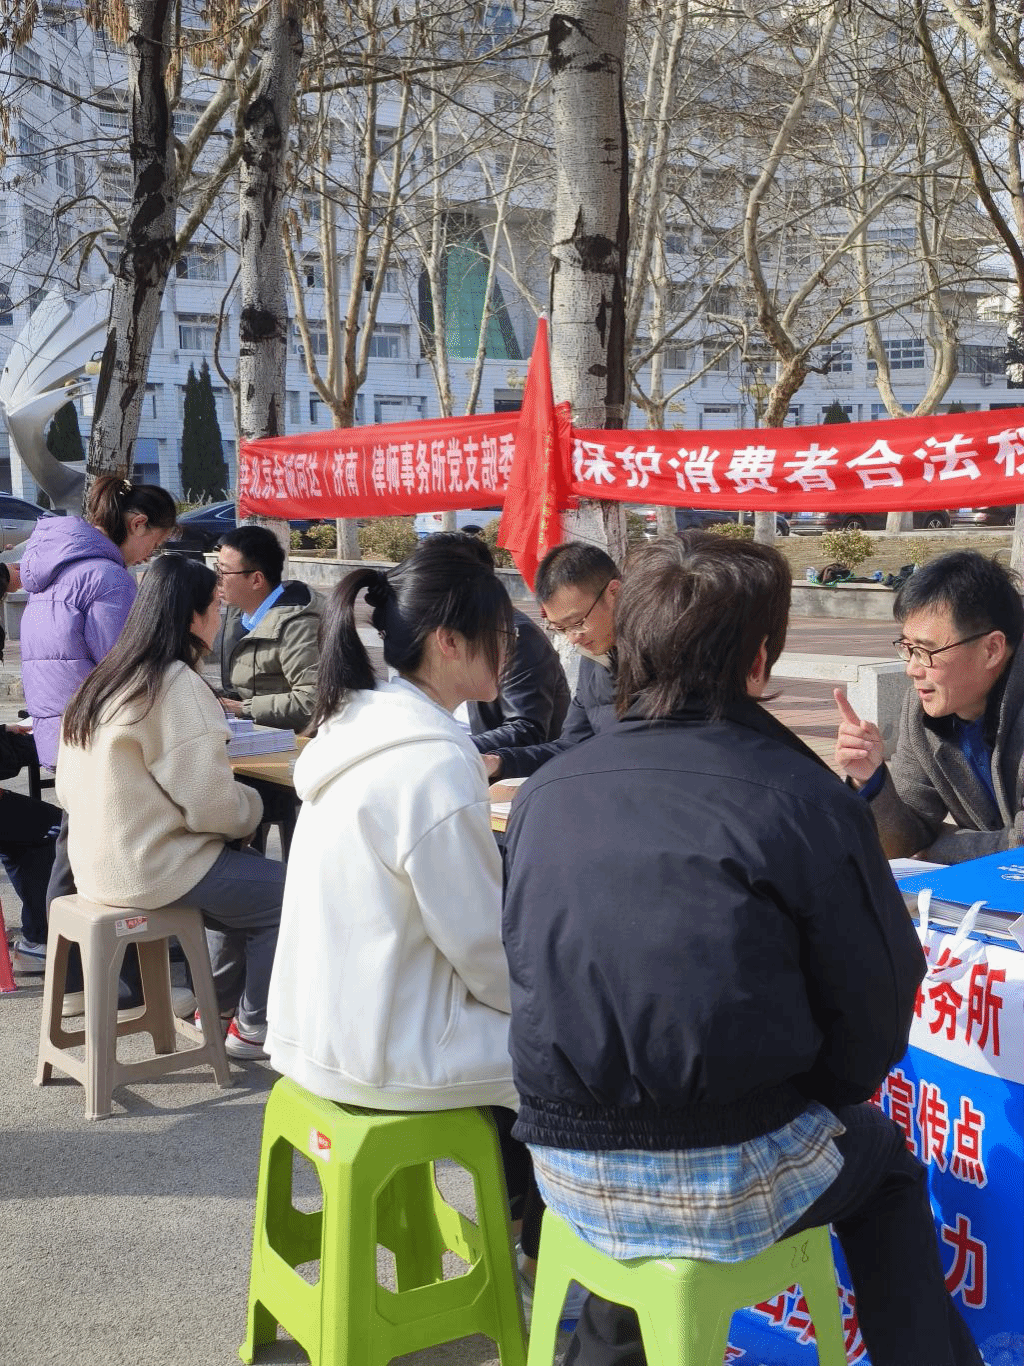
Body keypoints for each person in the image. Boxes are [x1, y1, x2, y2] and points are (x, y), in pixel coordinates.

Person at [502, 534, 981, 1366]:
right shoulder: (804, 798)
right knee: (884, 1169)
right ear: (758, 659)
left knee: (646, 1196)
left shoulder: (544, 794)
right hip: (731, 1165)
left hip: (564, 1169)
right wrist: (809, 1099)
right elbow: (874, 1018)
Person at [56, 555, 285, 1059]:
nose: (220, 617)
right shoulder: (175, 683)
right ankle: (255, 1026)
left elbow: (66, 792)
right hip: (151, 869)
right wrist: (251, 810)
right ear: (192, 617)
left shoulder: (104, 679)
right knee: (293, 895)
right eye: (216, 606)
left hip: (95, 867)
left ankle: (216, 1011)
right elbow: (212, 806)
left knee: (245, 878)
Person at [18, 475, 179, 1004]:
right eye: (154, 541)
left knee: (74, 851)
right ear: (137, 523)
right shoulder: (107, 579)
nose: (149, 556)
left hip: (62, 733)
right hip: (100, 737)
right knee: (110, 856)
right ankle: (120, 980)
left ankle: (70, 975)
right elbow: (125, 669)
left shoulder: (51, 570)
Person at [835, 550, 1023, 862]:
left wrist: (937, 849)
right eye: (908, 649)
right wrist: (870, 779)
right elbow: (906, 840)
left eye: (926, 651)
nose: (912, 669)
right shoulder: (921, 709)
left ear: (992, 649)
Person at [416, 532, 570, 753]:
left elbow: (525, 730)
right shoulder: (439, 629)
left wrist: (448, 748)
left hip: (495, 765)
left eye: (432, 578)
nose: (421, 587)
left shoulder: (516, 636)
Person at [481, 541, 620, 781]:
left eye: (577, 623)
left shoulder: (668, 653)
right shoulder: (594, 657)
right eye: (560, 628)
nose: (573, 638)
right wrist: (499, 762)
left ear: (614, 593)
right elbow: (571, 747)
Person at [215, 524, 321, 732]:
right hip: (260, 733)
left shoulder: (299, 625)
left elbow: (311, 702)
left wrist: (243, 708)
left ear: (256, 580)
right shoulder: (238, 612)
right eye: (216, 569)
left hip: (297, 741)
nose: (216, 579)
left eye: (223, 572)